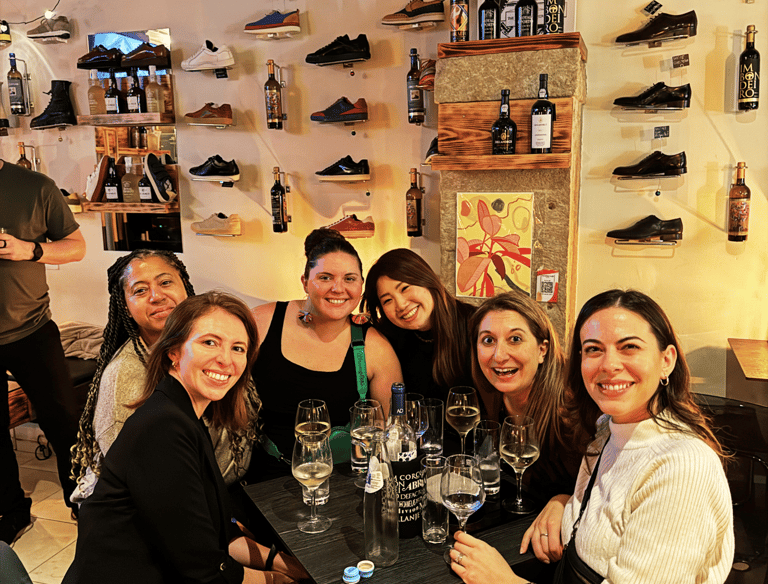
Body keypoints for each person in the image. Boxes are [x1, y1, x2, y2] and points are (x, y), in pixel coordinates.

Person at [449, 289, 734, 584]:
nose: (609, 365)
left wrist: (502, 580)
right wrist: (564, 501)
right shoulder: (606, 430)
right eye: (594, 349)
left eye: (629, 347)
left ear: (667, 360)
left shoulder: (682, 466)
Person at [63, 292, 309, 584]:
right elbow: (204, 570)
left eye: (238, 348)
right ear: (174, 351)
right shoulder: (162, 429)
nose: (225, 360)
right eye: (209, 342)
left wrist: (285, 565)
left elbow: (220, 533)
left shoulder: (182, 414)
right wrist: (278, 579)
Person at [248, 229, 402, 481]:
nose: (338, 288)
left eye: (349, 279)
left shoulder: (374, 347)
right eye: (325, 277)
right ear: (305, 282)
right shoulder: (263, 322)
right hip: (266, 477)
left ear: (361, 286)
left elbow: (392, 432)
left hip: (344, 481)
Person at [0, 158, 86, 542]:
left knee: (63, 422)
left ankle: (84, 504)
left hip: (32, 329)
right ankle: (11, 512)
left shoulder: (35, 186)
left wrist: (28, 250)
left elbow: (76, 247)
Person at [470, 291, 580, 506]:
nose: (499, 355)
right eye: (488, 340)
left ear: (542, 350)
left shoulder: (571, 410)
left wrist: (565, 502)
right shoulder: (487, 396)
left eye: (515, 339)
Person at [362, 248, 475, 401]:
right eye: (387, 300)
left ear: (426, 279)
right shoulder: (388, 340)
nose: (400, 305)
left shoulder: (475, 325)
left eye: (404, 288)